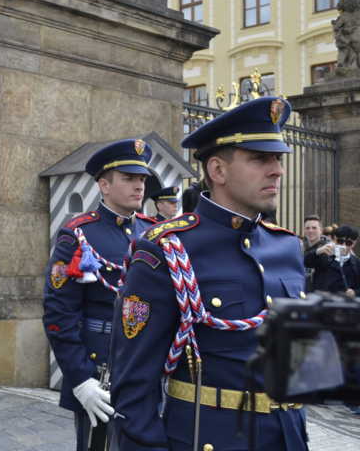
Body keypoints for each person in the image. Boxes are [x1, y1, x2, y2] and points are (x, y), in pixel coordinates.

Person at [110, 97, 308, 450]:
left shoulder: (288, 247)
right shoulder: (167, 250)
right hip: (209, 438)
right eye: (260, 159)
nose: (277, 170)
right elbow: (134, 382)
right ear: (217, 171)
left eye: (278, 159)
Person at [43, 139, 157, 451]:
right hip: (100, 368)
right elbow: (58, 313)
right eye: (129, 179)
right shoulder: (79, 234)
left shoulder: (154, 232)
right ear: (104, 185)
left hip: (147, 363)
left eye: (142, 180)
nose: (138, 186)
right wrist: (80, 378)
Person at [305, 224, 359, 295]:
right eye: (340, 241)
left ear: (354, 244)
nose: (343, 246)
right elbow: (304, 261)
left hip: (345, 303)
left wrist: (355, 292)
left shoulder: (356, 263)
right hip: (322, 302)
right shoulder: (324, 256)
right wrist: (318, 251)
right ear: (335, 239)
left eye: (348, 243)